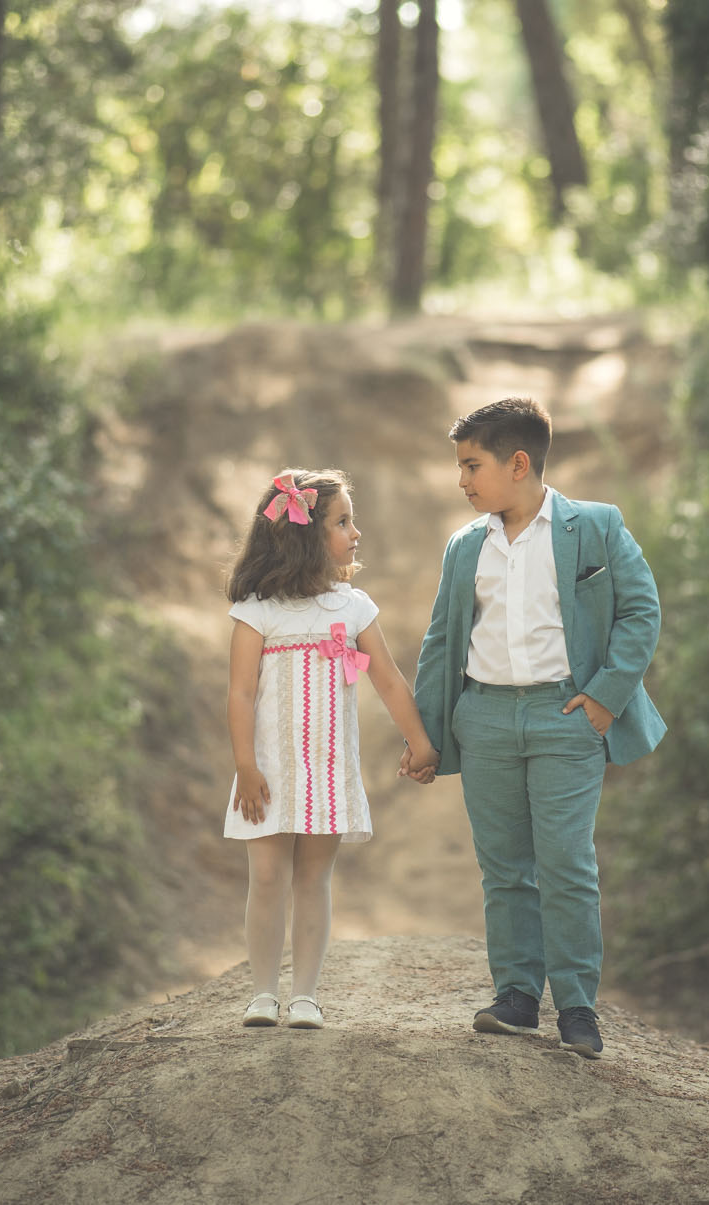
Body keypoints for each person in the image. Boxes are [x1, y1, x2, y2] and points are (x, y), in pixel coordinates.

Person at [403, 398, 664, 1059]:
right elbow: (440, 642)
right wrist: (427, 732)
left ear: (518, 464)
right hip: (484, 716)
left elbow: (640, 610)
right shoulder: (465, 547)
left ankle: (577, 1007)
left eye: (471, 465)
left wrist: (605, 695)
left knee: (567, 861)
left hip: (565, 715)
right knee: (503, 866)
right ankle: (516, 996)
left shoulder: (596, 527)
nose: (462, 481)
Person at [225, 468, 439, 1031]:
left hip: (325, 771)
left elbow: (388, 680)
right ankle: (263, 994)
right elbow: (240, 693)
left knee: (313, 880)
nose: (355, 532)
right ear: (305, 535)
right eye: (343, 522)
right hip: (267, 772)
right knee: (267, 877)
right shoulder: (258, 610)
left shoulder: (353, 609)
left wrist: (420, 743)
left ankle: (304, 997)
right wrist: (245, 766)